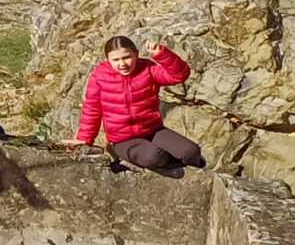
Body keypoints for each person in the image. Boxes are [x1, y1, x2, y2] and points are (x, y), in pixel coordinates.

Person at [72, 35, 205, 174]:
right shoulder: (100, 76)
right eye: (115, 60)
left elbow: (179, 75)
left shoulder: (147, 69)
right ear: (108, 59)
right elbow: (92, 110)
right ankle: (129, 156)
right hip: (123, 139)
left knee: (191, 152)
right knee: (154, 156)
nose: (122, 64)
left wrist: (162, 54)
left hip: (153, 131)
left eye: (126, 57)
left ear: (136, 54)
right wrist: (84, 140)